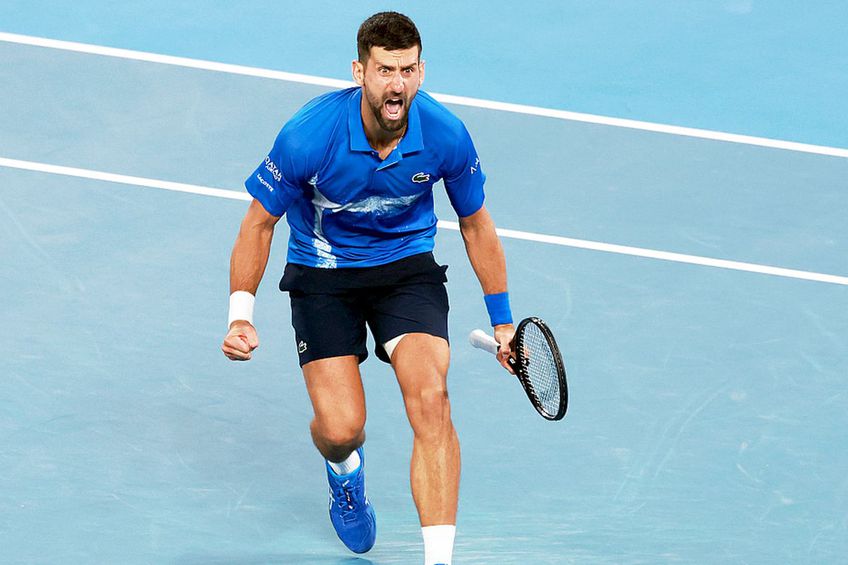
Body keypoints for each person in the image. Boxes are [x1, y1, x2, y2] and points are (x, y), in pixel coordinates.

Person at [221, 11, 514, 565]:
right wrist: (241, 315)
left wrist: (503, 321)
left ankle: (439, 559)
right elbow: (258, 224)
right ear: (360, 71)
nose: (397, 83)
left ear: (421, 72)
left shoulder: (445, 135)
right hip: (323, 277)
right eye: (384, 70)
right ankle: (344, 472)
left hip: (406, 271)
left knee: (432, 400)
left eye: (407, 69)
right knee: (341, 428)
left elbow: (476, 224)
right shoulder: (310, 135)